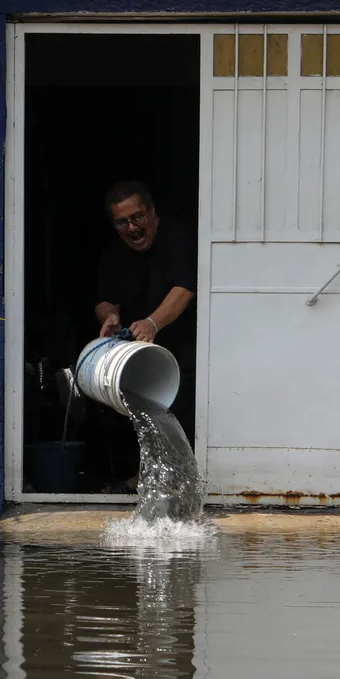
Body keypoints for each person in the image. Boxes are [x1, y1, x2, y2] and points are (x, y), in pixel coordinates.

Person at [92, 181, 197, 489]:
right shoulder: (115, 253)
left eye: (137, 217)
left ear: (152, 212)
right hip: (140, 353)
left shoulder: (177, 237)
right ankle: (137, 480)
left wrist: (153, 322)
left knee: (184, 408)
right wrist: (110, 316)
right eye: (122, 222)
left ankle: (180, 480)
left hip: (186, 347)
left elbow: (186, 287)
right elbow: (104, 299)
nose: (132, 227)